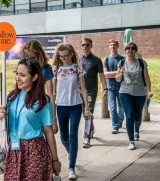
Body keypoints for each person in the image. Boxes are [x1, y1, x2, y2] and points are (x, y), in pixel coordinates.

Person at [0, 58, 61, 180]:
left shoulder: (43, 101)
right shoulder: (11, 97)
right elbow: (13, 122)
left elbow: (48, 132)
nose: (18, 78)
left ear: (34, 77)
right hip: (14, 149)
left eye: (22, 75)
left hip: (34, 150)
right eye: (16, 74)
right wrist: (2, 116)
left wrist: (55, 159)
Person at [52, 44, 92, 180]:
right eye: (61, 56)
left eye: (66, 56)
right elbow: (51, 93)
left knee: (73, 136)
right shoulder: (56, 70)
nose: (64, 58)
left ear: (71, 55)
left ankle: (71, 167)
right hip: (61, 106)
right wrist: (53, 115)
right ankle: (72, 154)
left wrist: (87, 108)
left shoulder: (77, 69)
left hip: (75, 105)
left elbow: (84, 89)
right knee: (64, 138)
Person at [116, 42, 153, 150]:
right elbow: (118, 79)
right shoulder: (121, 63)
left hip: (139, 93)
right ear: (125, 50)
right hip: (125, 92)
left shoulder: (141, 63)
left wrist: (149, 91)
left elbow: (146, 78)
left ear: (135, 50)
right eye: (128, 48)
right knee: (129, 115)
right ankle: (131, 141)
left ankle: (136, 130)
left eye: (132, 48)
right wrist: (121, 73)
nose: (130, 50)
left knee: (137, 117)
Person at [24, 40, 58, 134]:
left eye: (33, 57)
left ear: (40, 54)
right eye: (28, 57)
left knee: (43, 134)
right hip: (25, 103)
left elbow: (50, 94)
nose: (31, 61)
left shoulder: (46, 69)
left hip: (39, 104)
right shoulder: (25, 67)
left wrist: (54, 118)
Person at [80, 38, 108, 148]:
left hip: (91, 92)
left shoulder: (96, 60)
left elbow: (101, 75)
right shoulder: (78, 59)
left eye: (87, 45)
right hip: (80, 91)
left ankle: (86, 137)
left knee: (88, 111)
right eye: (83, 45)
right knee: (84, 113)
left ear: (91, 46)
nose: (85, 47)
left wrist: (105, 89)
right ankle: (91, 128)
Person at [103, 39, 125, 134]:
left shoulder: (122, 59)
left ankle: (119, 121)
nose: (112, 46)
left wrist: (112, 74)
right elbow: (105, 74)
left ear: (117, 46)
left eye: (114, 45)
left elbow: (124, 72)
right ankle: (115, 126)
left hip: (121, 86)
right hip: (110, 87)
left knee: (121, 107)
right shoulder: (106, 60)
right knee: (112, 107)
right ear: (109, 47)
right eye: (111, 45)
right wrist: (117, 72)